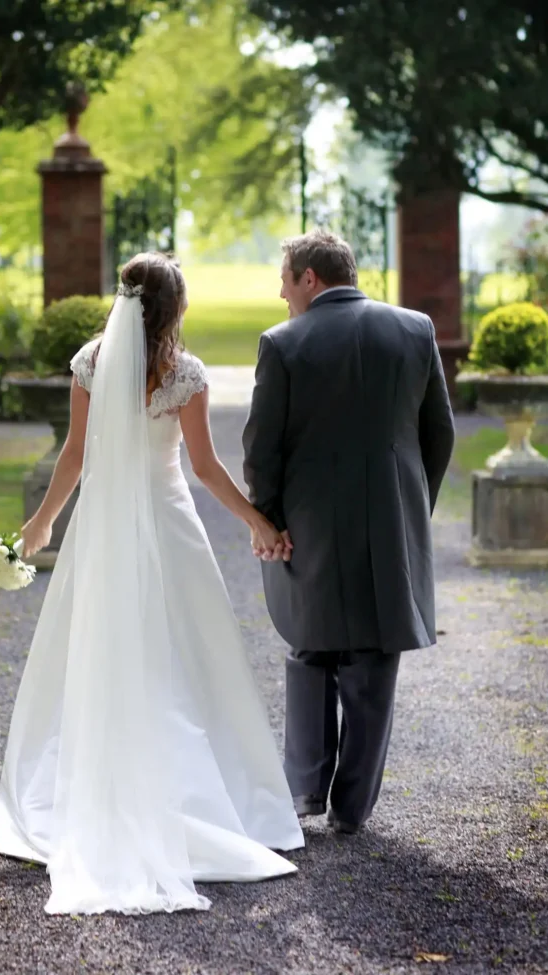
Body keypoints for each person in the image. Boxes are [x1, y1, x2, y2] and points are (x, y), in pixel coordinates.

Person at [0, 252, 303, 916]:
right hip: (168, 525)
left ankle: (107, 786)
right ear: (176, 307)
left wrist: (42, 521)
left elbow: (75, 454)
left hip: (104, 525)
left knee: (105, 651)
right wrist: (258, 519)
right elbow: (205, 468)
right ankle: (203, 793)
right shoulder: (184, 374)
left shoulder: (90, 362)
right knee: (189, 656)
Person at [243, 229, 455, 833]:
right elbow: (438, 433)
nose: (282, 295)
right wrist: (413, 507)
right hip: (391, 520)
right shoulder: (415, 329)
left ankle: (306, 789)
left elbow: (262, 449)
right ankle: (352, 809)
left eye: (285, 282)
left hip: (309, 524)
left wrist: (270, 518)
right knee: (373, 659)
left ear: (310, 277)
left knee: (310, 649)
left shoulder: (282, 344)